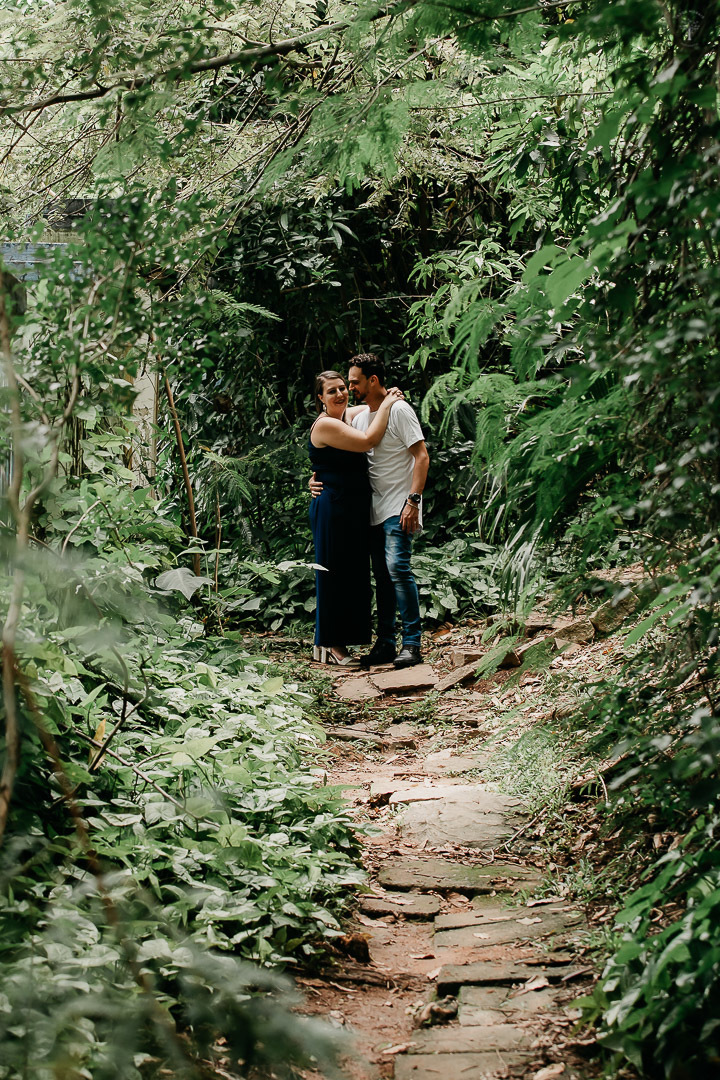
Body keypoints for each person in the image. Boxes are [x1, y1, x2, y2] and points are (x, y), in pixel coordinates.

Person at [312, 354, 430, 669]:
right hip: (371, 509)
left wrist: (413, 501)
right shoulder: (361, 418)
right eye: (338, 387)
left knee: (397, 569)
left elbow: (422, 456)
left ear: (372, 381)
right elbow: (347, 442)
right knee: (381, 575)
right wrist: (316, 475)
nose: (346, 391)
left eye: (351, 384)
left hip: (399, 505)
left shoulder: (400, 410)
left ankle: (412, 644)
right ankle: (386, 643)